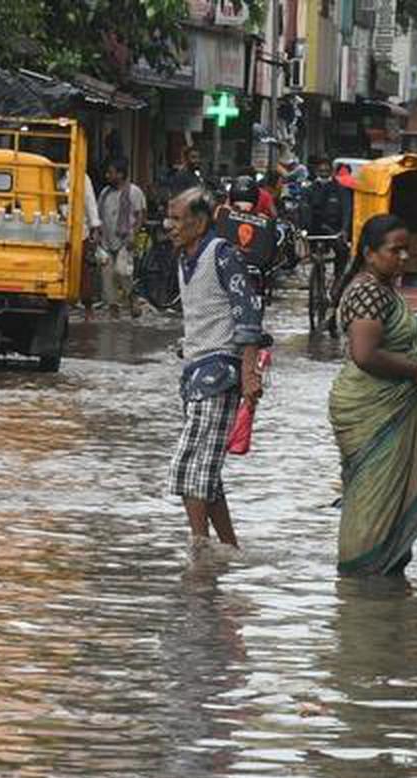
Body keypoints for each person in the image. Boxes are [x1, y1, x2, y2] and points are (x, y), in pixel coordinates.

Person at [329, 215, 417, 576]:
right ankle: (362, 584)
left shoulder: (382, 289)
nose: (404, 257)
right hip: (372, 408)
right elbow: (365, 354)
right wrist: (416, 370)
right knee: (372, 500)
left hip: (388, 407)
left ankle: (386, 590)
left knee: (380, 500)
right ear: (369, 253)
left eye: (407, 250)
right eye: (396, 250)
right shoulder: (368, 292)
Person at [165, 188, 265, 554]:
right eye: (170, 218)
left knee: (188, 466)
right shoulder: (183, 257)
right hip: (194, 372)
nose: (170, 227)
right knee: (207, 473)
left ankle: (200, 548)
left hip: (220, 372)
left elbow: (248, 313)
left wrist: (250, 372)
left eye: (177, 219)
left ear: (201, 221)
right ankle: (229, 548)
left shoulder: (223, 255)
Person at [97, 156, 147, 319]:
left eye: (110, 173)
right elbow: (99, 216)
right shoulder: (105, 193)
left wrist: (134, 234)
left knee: (122, 272)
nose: (107, 176)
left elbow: (141, 215)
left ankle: (132, 297)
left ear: (120, 174)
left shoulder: (134, 192)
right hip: (106, 241)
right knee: (107, 278)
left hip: (125, 241)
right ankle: (113, 310)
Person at [58, 167, 102, 320]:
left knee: (84, 272)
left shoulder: (81, 177)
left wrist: (94, 227)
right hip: (56, 232)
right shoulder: (47, 174)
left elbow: (90, 201)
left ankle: (88, 309)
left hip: (79, 232)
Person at [306, 156, 353, 277]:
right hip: (314, 230)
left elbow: (347, 209)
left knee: (343, 252)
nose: (324, 174)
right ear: (316, 172)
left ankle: (338, 278)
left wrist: (344, 229)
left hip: (335, 230)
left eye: (327, 171)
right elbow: (304, 208)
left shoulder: (340, 190)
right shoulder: (309, 189)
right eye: (321, 171)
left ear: (331, 172)